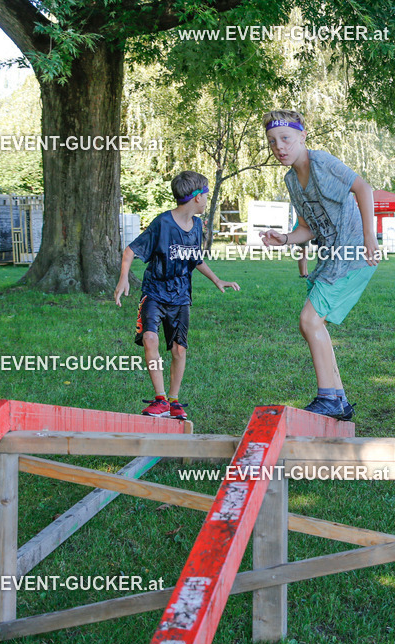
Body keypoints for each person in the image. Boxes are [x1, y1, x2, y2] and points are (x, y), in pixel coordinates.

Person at [260, 110, 379, 420]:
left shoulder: (322, 162)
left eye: (286, 139)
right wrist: (284, 238)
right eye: (273, 142)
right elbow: (309, 227)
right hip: (329, 257)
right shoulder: (291, 180)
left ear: (303, 137)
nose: (280, 147)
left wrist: (370, 238)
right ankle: (338, 399)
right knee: (314, 324)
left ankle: (328, 397)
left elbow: (363, 188)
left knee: (309, 320)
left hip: (353, 252)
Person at [114, 171, 240, 420]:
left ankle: (173, 401)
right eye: (206, 194)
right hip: (154, 292)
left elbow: (195, 258)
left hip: (180, 296)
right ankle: (159, 399)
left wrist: (217, 280)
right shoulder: (163, 223)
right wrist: (123, 279)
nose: (207, 199)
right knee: (150, 339)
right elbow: (130, 251)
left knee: (179, 350)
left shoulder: (197, 227)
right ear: (195, 198)